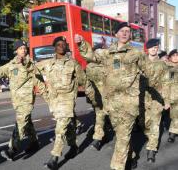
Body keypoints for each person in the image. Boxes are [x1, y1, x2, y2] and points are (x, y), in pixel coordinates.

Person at [75, 22, 146, 170]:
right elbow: (90, 55)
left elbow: (148, 73)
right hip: (112, 104)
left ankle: (117, 166)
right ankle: (131, 155)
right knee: (121, 135)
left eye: (127, 31)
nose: (125, 33)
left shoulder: (137, 53)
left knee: (123, 135)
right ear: (116, 34)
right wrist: (81, 43)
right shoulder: (106, 53)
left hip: (128, 103)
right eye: (122, 31)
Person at [41, 36, 96, 170]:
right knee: (69, 126)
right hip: (54, 102)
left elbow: (84, 80)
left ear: (66, 47)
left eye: (63, 44)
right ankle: (74, 147)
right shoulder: (47, 63)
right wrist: (43, 91)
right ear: (54, 47)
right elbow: (31, 72)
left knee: (60, 129)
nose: (61, 46)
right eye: (58, 44)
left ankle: (54, 158)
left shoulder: (73, 64)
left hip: (67, 101)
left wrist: (93, 97)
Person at [0, 40, 48, 160]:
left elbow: (39, 79)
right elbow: (0, 71)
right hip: (17, 100)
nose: (24, 50)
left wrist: (47, 95)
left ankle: (12, 150)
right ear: (16, 50)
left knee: (21, 123)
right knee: (27, 121)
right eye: (21, 48)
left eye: (25, 48)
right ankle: (34, 143)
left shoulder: (30, 64)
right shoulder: (11, 65)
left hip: (27, 99)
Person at [141, 38, 170, 163]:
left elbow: (166, 82)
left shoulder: (162, 64)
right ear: (147, 48)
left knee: (155, 124)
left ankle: (151, 150)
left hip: (157, 98)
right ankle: (149, 136)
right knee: (145, 123)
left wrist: (167, 100)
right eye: (152, 47)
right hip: (142, 97)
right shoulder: (141, 61)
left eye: (156, 47)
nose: (154, 49)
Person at [166, 49, 178, 142]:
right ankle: (173, 132)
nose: (175, 57)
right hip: (172, 95)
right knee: (174, 115)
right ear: (170, 57)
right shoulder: (167, 67)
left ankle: (173, 132)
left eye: (177, 55)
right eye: (173, 55)